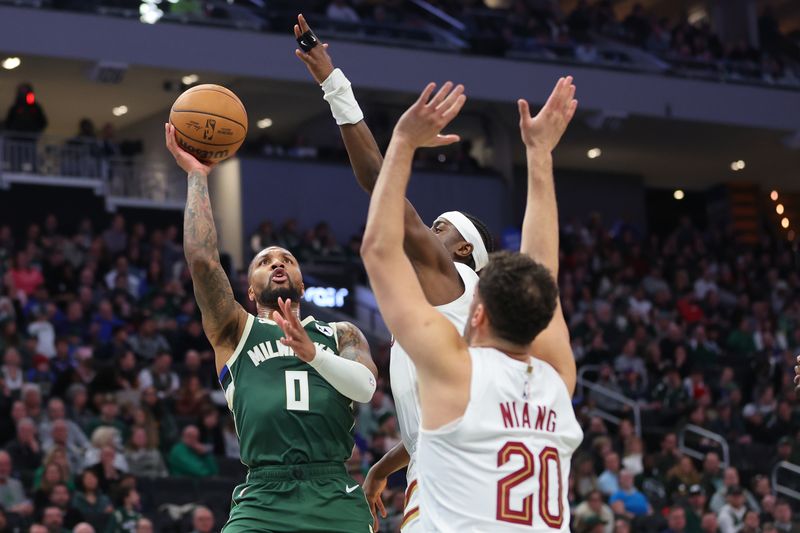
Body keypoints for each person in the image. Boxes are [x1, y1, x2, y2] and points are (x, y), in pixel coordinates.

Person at [360, 81, 582, 531]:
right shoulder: (558, 381)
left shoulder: (456, 371)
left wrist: (402, 142)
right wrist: (540, 154)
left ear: (476, 313)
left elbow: (380, 250)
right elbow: (544, 271)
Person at [165, 111, 378, 531]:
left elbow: (367, 388)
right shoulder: (235, 330)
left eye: (288, 260)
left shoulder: (341, 333)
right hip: (263, 496)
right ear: (249, 288)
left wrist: (314, 354)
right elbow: (203, 261)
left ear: (301, 283)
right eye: (265, 260)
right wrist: (196, 175)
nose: (278, 263)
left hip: (332, 490)